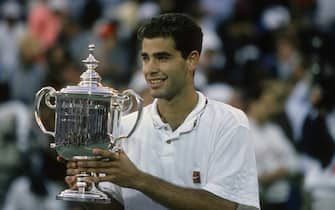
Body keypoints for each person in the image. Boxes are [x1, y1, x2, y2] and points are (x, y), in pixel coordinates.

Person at [65, 13, 260, 210]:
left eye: (162, 57)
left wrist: (138, 179)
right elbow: (118, 205)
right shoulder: (125, 126)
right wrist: (89, 192)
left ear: (192, 60)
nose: (150, 69)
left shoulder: (229, 122)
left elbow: (224, 205)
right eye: (145, 58)